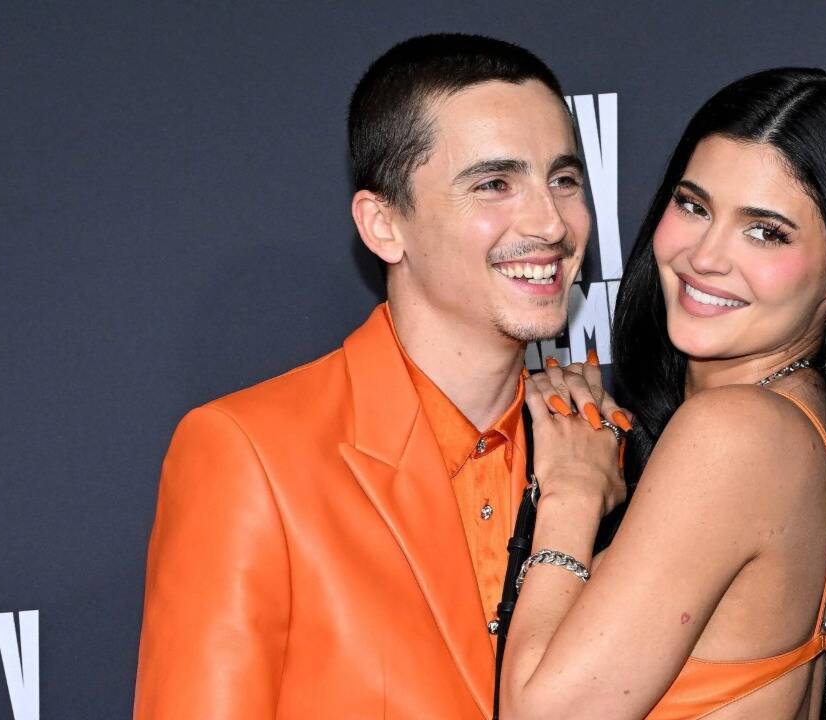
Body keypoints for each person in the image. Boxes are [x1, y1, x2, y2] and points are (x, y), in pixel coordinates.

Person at [497, 68, 826, 719]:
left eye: (765, 231)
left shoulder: (737, 433)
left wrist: (573, 491)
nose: (706, 256)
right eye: (694, 206)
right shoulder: (799, 416)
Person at [133, 34, 601, 719]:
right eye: (494, 184)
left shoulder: (600, 451)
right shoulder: (250, 455)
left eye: (563, 179)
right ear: (384, 226)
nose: (551, 222)